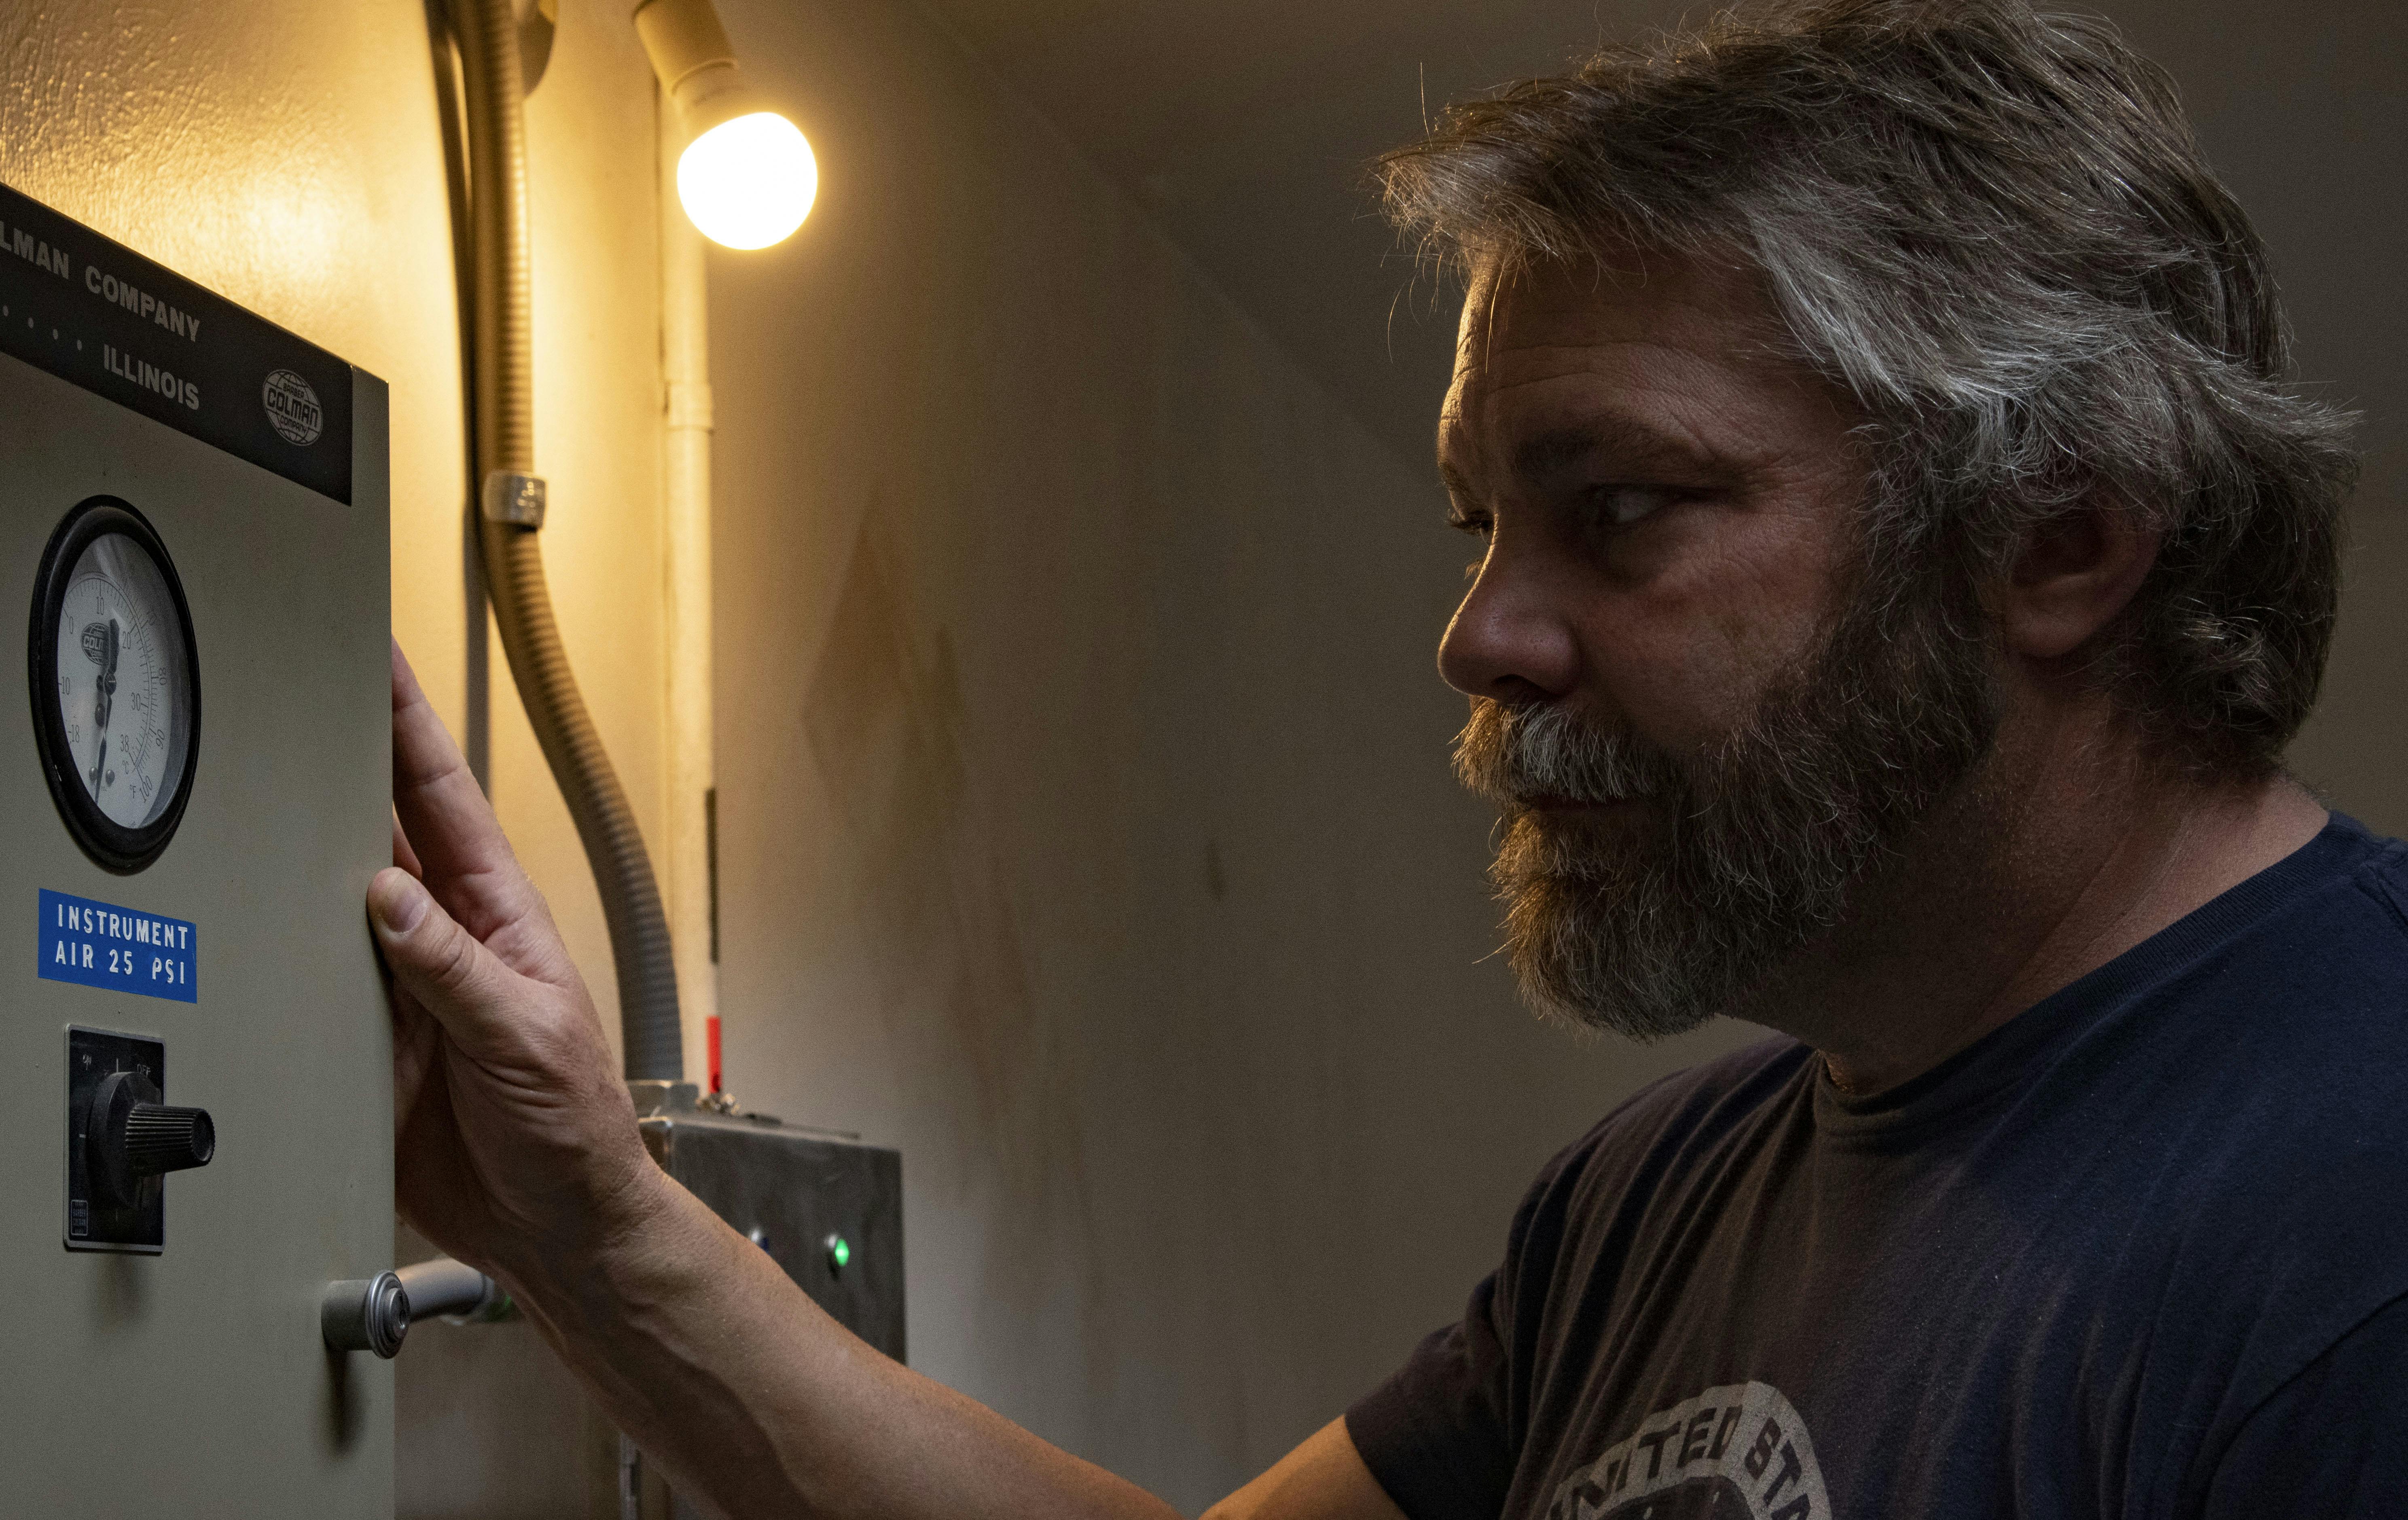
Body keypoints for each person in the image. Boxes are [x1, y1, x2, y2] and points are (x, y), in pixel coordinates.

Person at [369, 0, 2406, 1515]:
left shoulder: (2353, 1199)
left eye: (1620, 510)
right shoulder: (1662, 1193)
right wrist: (591, 1226)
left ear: (2056, 536)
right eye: (1479, 525)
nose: (1481, 635)